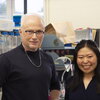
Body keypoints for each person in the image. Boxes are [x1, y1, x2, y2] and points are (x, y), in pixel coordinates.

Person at [0, 13, 60, 100]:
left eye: (39, 31)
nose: (34, 37)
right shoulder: (5, 60)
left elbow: (55, 86)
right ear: (20, 32)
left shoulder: (48, 59)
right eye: (29, 31)